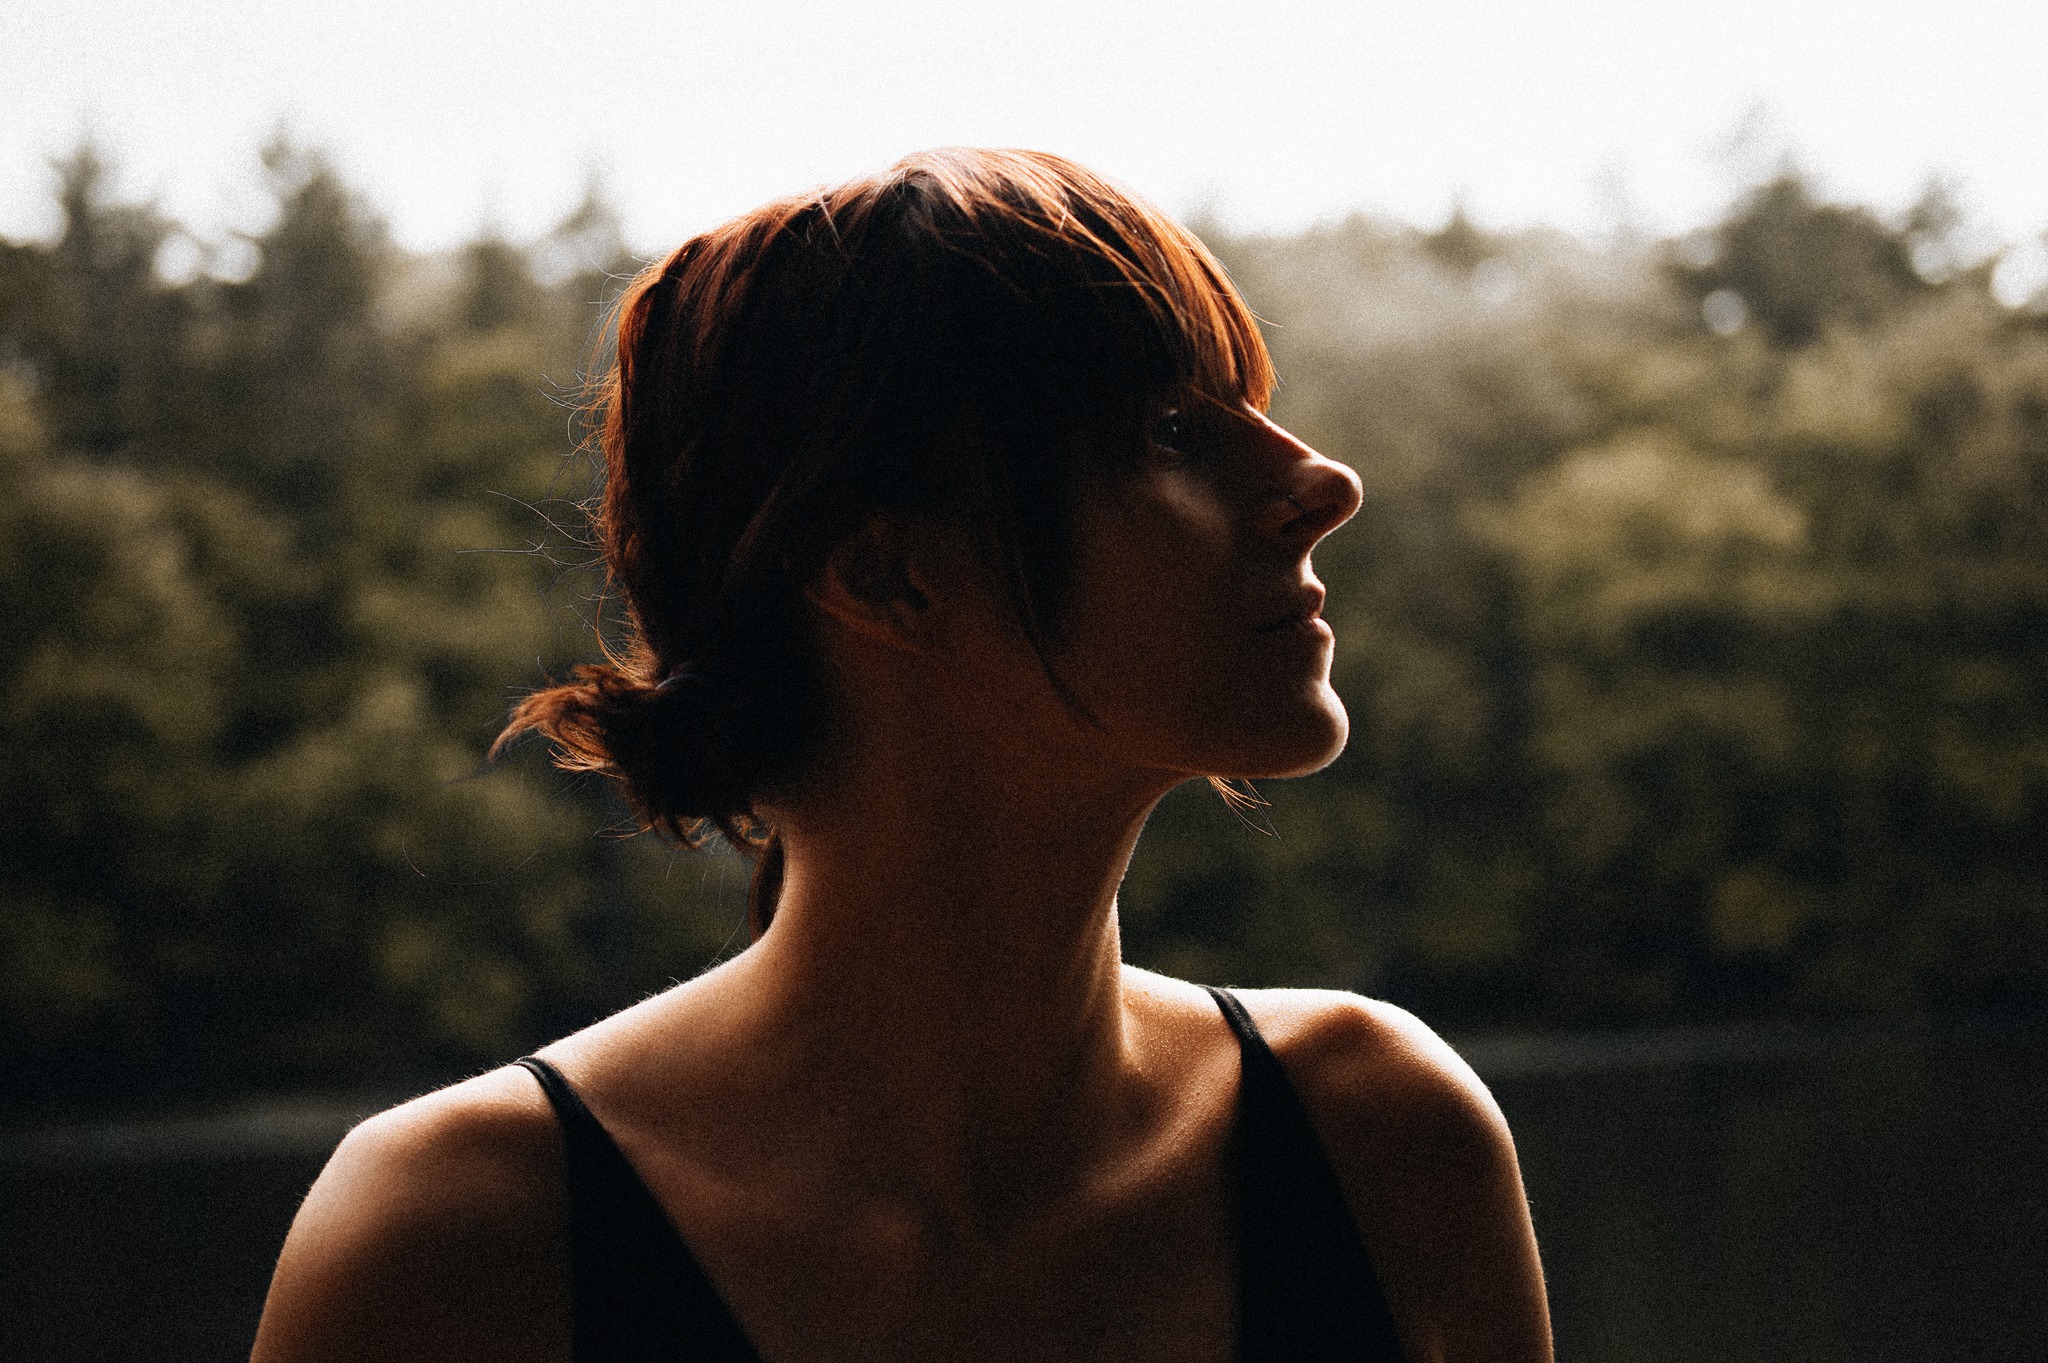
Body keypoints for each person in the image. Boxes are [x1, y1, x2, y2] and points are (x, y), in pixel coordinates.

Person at [250, 148, 1551, 1363]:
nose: (1323, 482)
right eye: (1163, 430)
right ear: (886, 572)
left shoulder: (1382, 1142)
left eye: (1250, 414)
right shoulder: (460, 1246)